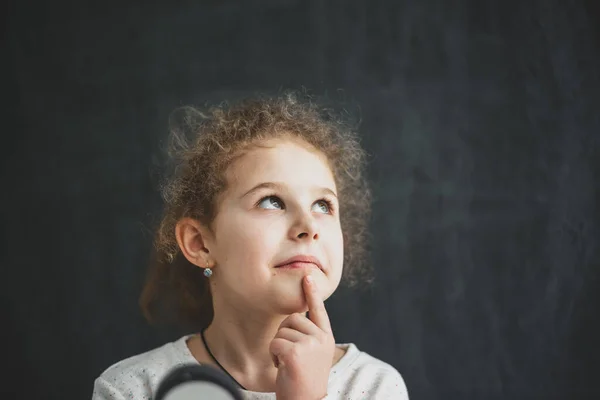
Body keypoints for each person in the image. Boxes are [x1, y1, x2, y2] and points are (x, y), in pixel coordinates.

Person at [91, 92, 409, 400]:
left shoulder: (374, 387)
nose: (309, 227)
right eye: (271, 201)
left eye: (323, 205)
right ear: (200, 243)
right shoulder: (130, 388)